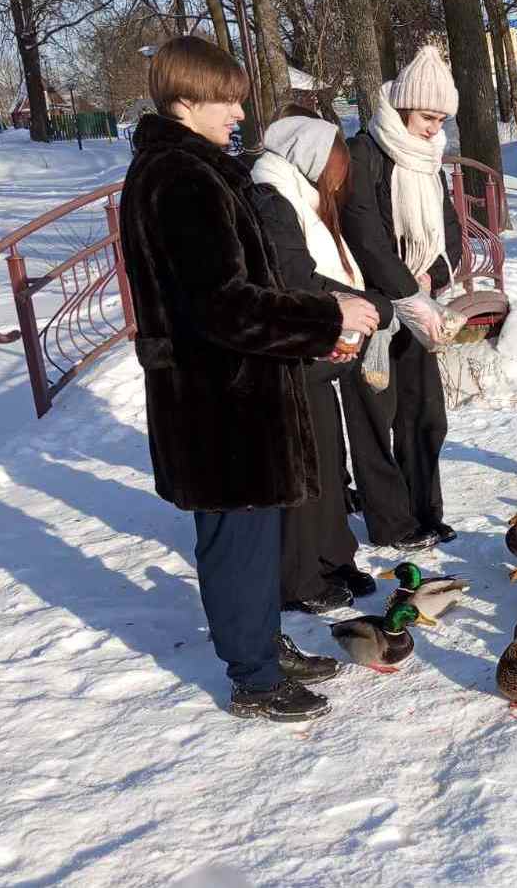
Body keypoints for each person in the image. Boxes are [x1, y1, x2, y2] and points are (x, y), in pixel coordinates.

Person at [118, 36, 379, 722]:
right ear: (185, 99)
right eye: (226, 99)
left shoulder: (196, 170)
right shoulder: (180, 179)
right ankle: (254, 679)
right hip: (218, 401)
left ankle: (262, 641)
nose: (240, 111)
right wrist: (327, 315)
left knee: (253, 537)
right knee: (235, 540)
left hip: (231, 394)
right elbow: (223, 305)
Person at [247, 114, 394, 612]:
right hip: (291, 353)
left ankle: (334, 557)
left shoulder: (297, 196)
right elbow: (295, 277)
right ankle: (299, 578)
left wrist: (362, 306)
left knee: (328, 462)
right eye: (336, 166)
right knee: (306, 468)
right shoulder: (271, 197)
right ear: (311, 158)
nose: (340, 179)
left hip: (314, 349)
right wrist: (367, 303)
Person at [341, 47, 463, 549]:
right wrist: (407, 293)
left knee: (424, 412)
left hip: (419, 305)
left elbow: (450, 231)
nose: (435, 128)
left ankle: (425, 511)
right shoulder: (365, 153)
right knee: (375, 418)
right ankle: (391, 523)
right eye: (428, 116)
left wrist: (432, 278)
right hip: (374, 307)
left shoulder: (428, 161)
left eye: (441, 119)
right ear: (403, 107)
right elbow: (362, 231)